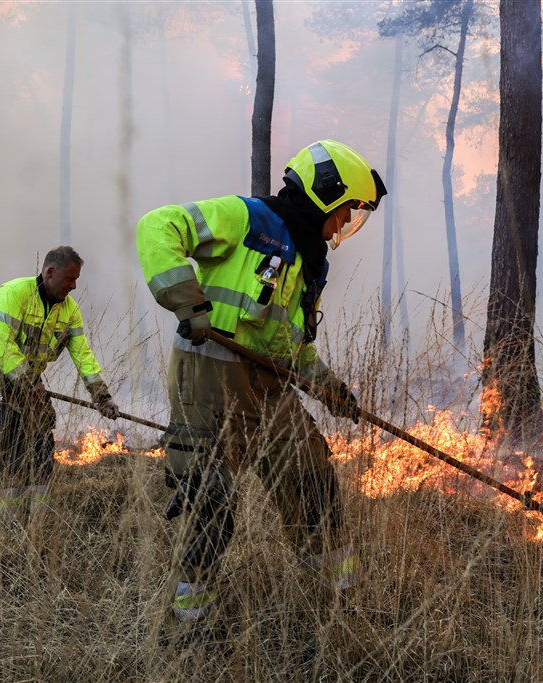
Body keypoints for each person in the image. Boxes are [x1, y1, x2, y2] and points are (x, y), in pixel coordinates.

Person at [136, 139, 387, 625]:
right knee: (212, 500)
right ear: (324, 194)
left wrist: (330, 388)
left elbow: (293, 346)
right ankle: (190, 619)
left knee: (311, 476)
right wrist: (188, 302)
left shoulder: (310, 262)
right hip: (211, 372)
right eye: (346, 211)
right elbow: (158, 225)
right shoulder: (246, 217)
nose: (344, 224)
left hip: (270, 386)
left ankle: (341, 601)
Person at [0, 245, 120, 525]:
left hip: (29, 379)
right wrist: (26, 381)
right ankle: (10, 526)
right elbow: (1, 344)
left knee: (40, 449)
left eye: (76, 280)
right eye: (69, 279)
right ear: (49, 272)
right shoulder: (14, 293)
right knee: (11, 445)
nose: (74, 286)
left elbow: (83, 355)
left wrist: (102, 396)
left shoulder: (70, 311)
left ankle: (38, 522)